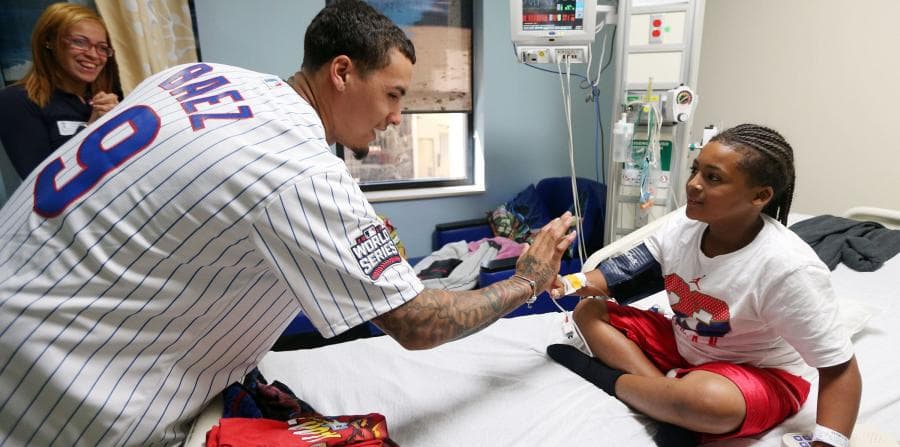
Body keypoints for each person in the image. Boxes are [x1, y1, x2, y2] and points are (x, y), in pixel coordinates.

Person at [0, 1, 575, 446]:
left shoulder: (203, 77)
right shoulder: (297, 168)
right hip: (56, 385)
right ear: (342, 73)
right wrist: (528, 279)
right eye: (393, 95)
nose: (398, 118)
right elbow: (418, 324)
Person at [547, 124, 861, 446]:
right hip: (685, 347)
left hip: (758, 374)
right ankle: (664, 400)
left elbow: (839, 368)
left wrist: (828, 443)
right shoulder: (683, 224)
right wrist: (561, 281)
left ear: (760, 196)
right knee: (589, 311)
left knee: (709, 403)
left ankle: (616, 381)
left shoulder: (787, 268)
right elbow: (617, 276)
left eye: (713, 178)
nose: (693, 185)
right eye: (695, 170)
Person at [0, 2, 120, 179]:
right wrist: (91, 128)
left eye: (102, 47)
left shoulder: (108, 100)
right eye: (80, 42)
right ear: (48, 41)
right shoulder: (16, 100)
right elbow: (42, 182)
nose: (94, 55)